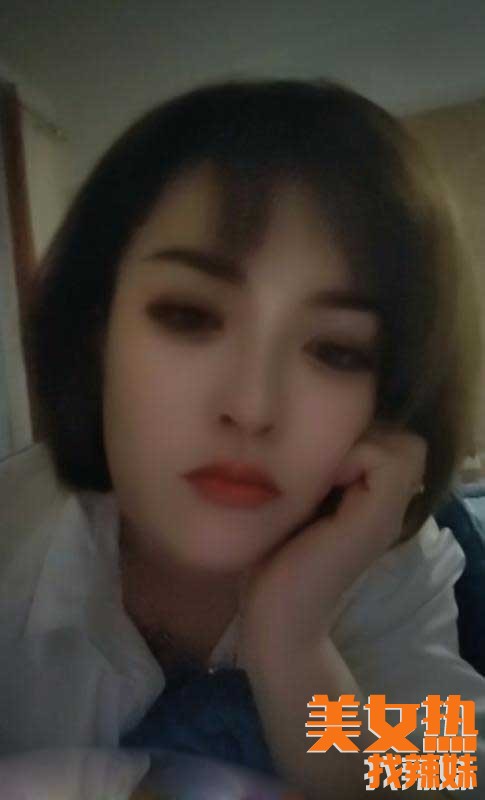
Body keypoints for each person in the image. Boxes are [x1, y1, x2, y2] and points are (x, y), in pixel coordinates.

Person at [0, 78, 484, 798]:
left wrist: (293, 641)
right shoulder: (10, 531)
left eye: (335, 351)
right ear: (97, 332)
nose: (253, 407)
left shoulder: (394, 564)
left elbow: (443, 773)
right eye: (190, 316)